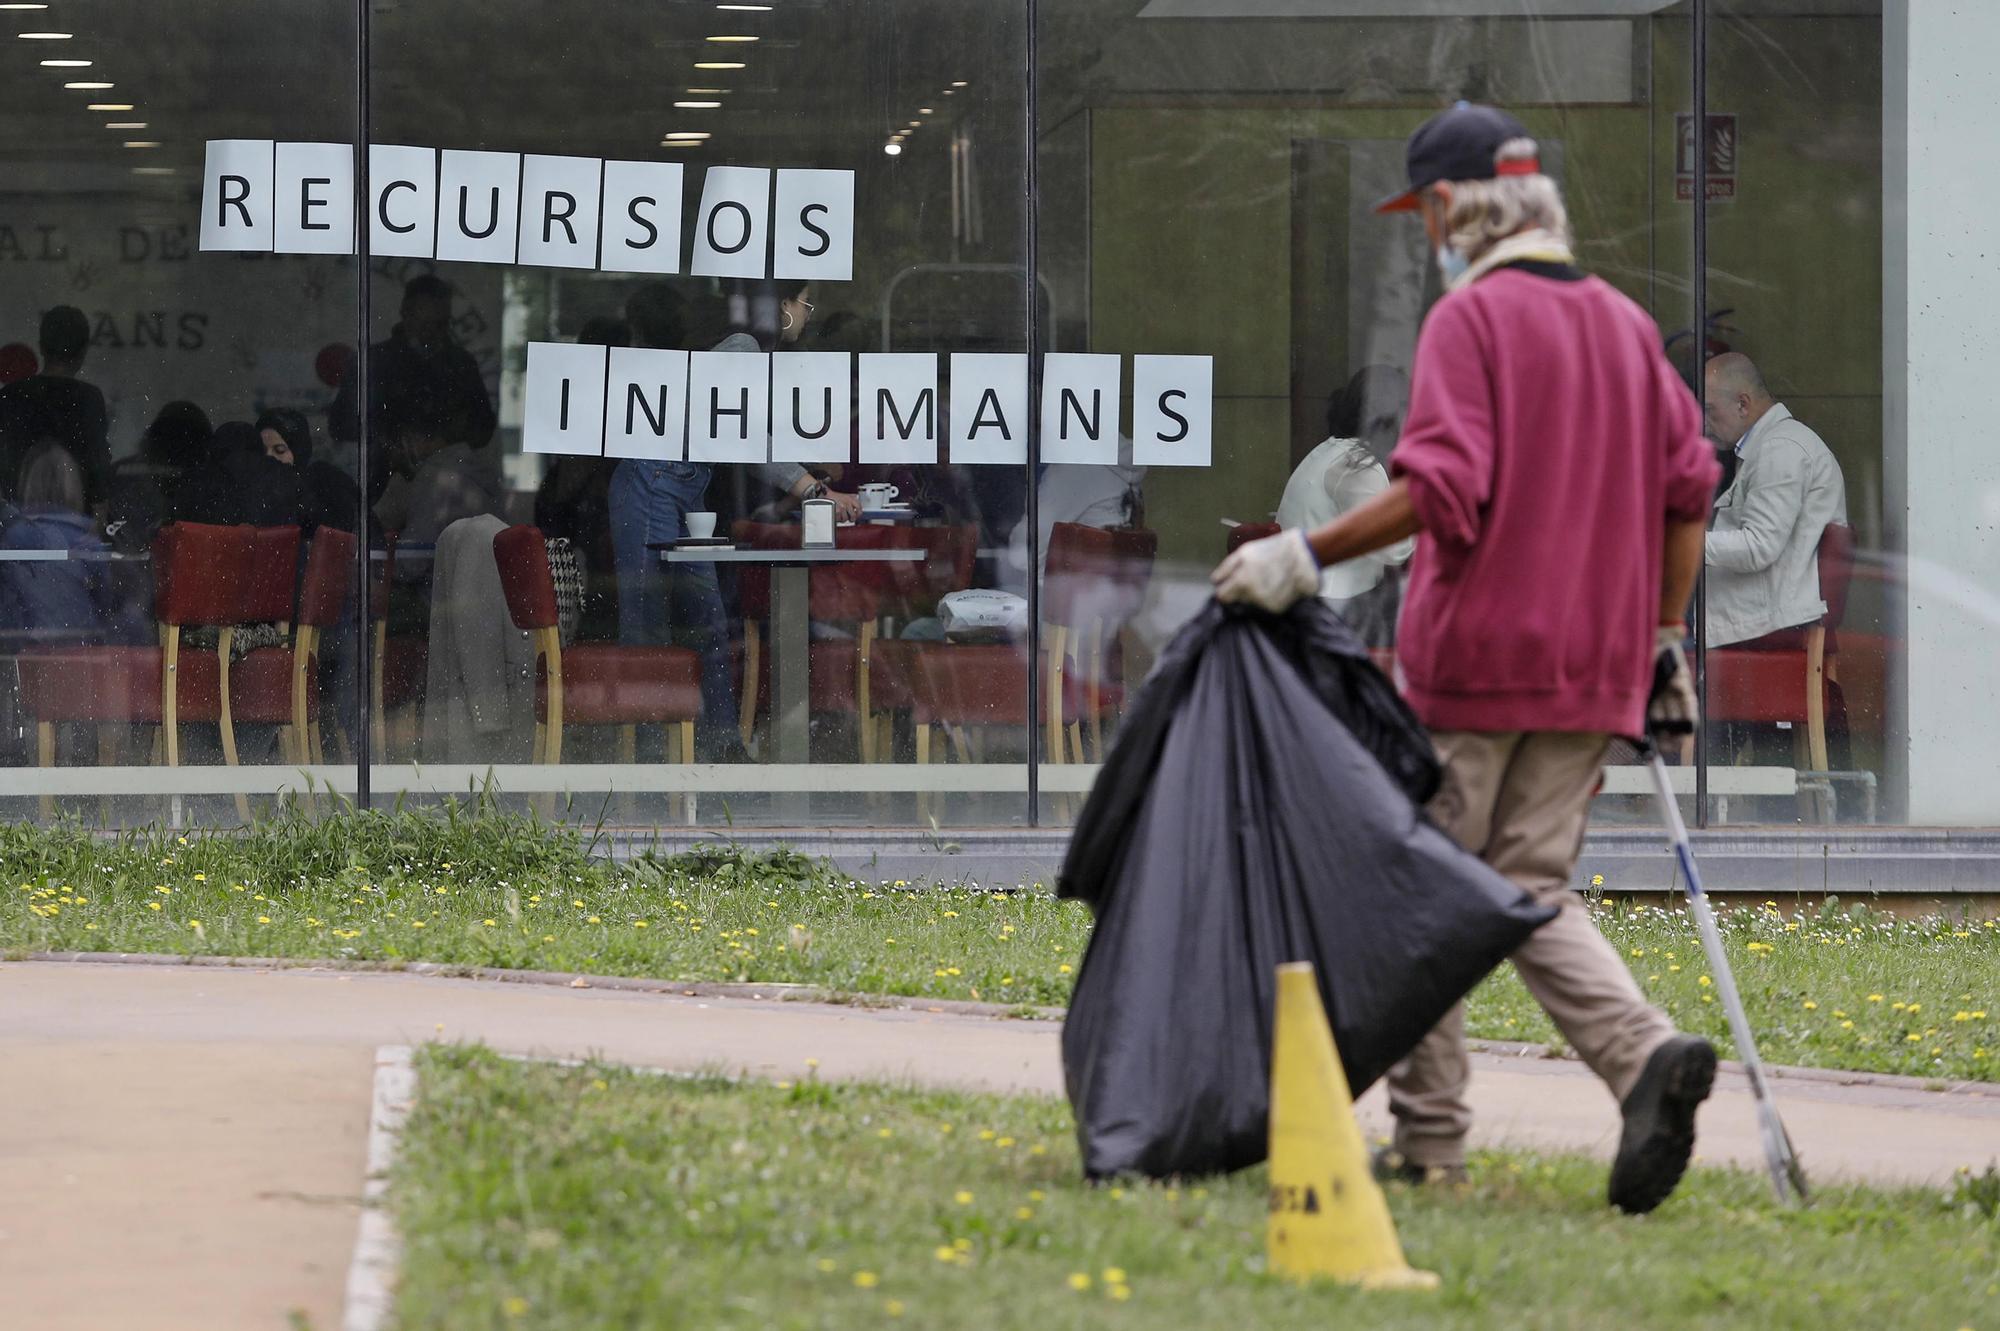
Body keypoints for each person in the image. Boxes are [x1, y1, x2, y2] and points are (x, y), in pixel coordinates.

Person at [1212, 103, 1722, 1215]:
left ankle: (1430, 1143)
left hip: (1475, 660)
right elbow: (1689, 492)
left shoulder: (1467, 320)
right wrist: (1662, 636)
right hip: (1593, 665)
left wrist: (1299, 553)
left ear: (1449, 206)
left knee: (1420, 889)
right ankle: (1640, 1056)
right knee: (1529, 882)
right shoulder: (1622, 325)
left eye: (1425, 213)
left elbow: (1441, 488)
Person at [606, 280, 855, 757]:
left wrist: (808, 466)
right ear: (782, 305)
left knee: (709, 621)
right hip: (651, 481)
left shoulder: (755, 356)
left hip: (680, 488)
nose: (808, 312)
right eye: (805, 301)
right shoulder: (743, 348)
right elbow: (742, 435)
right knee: (649, 624)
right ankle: (651, 762)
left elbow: (748, 432)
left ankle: (723, 746)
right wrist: (813, 487)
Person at [1700, 352, 1849, 648]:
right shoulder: (1772, 445)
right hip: (1758, 615)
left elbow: (1759, 546)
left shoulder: (1781, 449)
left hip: (1763, 624)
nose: (1704, 423)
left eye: (1710, 410)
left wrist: (1681, 543)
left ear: (1742, 404)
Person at [329, 273, 498, 522]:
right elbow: (341, 423)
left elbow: (483, 426)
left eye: (439, 325)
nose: (430, 334)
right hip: (380, 483)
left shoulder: (461, 365)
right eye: (424, 324)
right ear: (406, 314)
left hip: (447, 492)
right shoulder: (374, 361)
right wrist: (390, 442)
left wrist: (441, 440)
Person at [1275, 366, 1416, 643]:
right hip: (1336, 611)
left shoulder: (1330, 451)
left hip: (1309, 603)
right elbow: (1394, 550)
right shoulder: (1359, 467)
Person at [0, 306, 111, 508]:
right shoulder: (89, 398)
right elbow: (98, 471)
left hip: (16, 520)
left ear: (41, 347)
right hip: (74, 525)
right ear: (84, 351)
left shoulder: (11, 396)